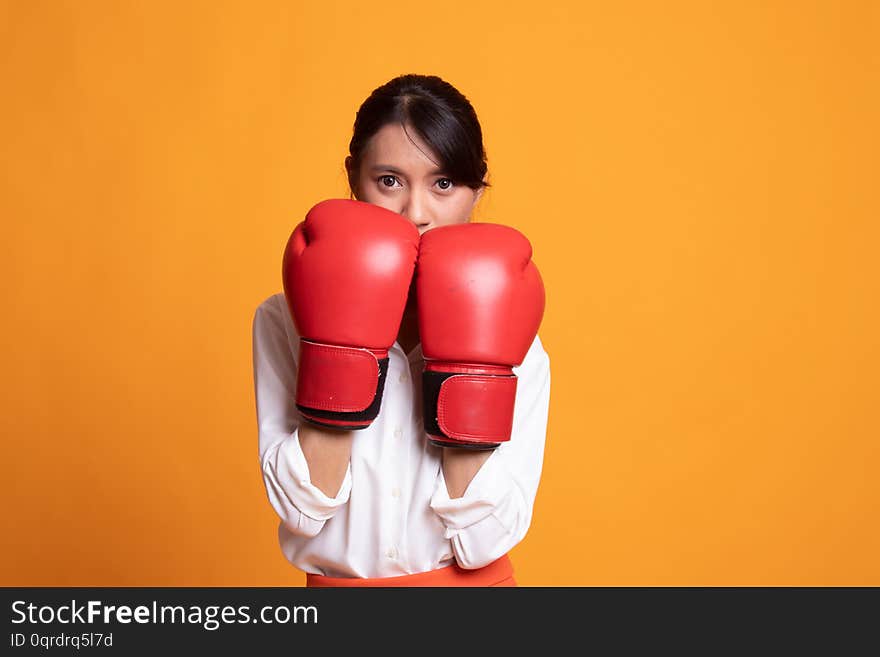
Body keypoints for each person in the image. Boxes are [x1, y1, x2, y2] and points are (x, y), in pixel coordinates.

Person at [251, 74, 551, 587]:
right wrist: (341, 346)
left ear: (477, 190)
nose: (416, 213)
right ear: (353, 177)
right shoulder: (283, 320)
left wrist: (471, 371)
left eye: (443, 184)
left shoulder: (519, 340)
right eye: (389, 180)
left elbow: (484, 544)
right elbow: (301, 513)